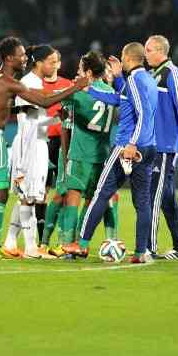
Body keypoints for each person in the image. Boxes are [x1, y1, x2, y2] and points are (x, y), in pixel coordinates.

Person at [0, 37, 87, 260]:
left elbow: (4, 105)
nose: (25, 59)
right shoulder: (12, 82)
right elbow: (45, 102)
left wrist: (27, 111)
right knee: (0, 193)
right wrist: (74, 88)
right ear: (10, 58)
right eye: (21, 55)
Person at [62, 42, 158, 263]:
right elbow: (120, 100)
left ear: (128, 57)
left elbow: (142, 114)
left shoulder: (134, 80)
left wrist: (131, 144)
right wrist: (102, 86)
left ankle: (82, 244)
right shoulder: (147, 80)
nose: (120, 62)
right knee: (142, 202)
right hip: (149, 147)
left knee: (101, 194)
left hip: (127, 147)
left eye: (122, 58)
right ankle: (141, 252)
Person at [1, 45, 62, 260]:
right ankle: (30, 247)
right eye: (52, 62)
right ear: (40, 62)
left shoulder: (34, 82)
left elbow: (33, 120)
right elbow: (26, 123)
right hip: (30, 145)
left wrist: (56, 118)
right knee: (29, 198)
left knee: (26, 196)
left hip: (36, 143)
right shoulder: (29, 84)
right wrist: (23, 162)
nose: (55, 66)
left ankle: (10, 242)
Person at [54, 51, 120, 252]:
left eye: (81, 69)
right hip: (102, 156)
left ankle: (68, 244)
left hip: (80, 154)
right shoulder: (110, 93)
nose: (78, 72)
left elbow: (59, 107)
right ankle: (106, 241)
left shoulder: (80, 92)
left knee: (72, 197)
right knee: (96, 201)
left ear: (89, 72)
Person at [144, 35, 178, 259]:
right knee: (167, 197)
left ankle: (149, 247)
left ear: (160, 51)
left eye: (148, 50)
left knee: (153, 194)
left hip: (164, 145)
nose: (145, 54)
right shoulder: (153, 74)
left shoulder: (172, 73)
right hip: (154, 142)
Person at [41, 48, 73, 249]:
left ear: (60, 64)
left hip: (63, 143)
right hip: (42, 142)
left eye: (55, 62)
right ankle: (40, 236)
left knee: (63, 190)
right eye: (49, 61)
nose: (52, 65)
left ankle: (60, 238)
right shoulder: (36, 85)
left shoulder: (67, 85)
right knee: (40, 192)